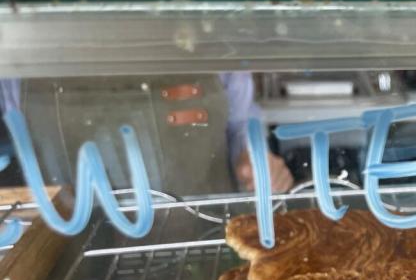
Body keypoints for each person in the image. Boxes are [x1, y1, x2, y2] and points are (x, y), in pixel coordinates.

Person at [0, 72, 293, 195]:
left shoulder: (204, 10)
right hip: (67, 263)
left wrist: (253, 157)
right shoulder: (18, 32)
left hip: (206, 240)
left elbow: (242, 120)